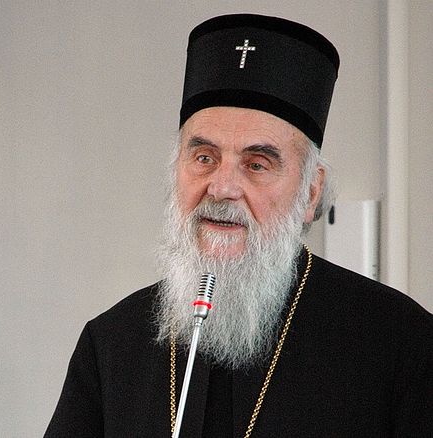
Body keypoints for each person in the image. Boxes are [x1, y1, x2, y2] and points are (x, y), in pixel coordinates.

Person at [44, 14, 432, 437]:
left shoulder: (403, 345)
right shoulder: (111, 345)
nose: (222, 188)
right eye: (204, 158)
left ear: (310, 192)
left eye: (257, 164)